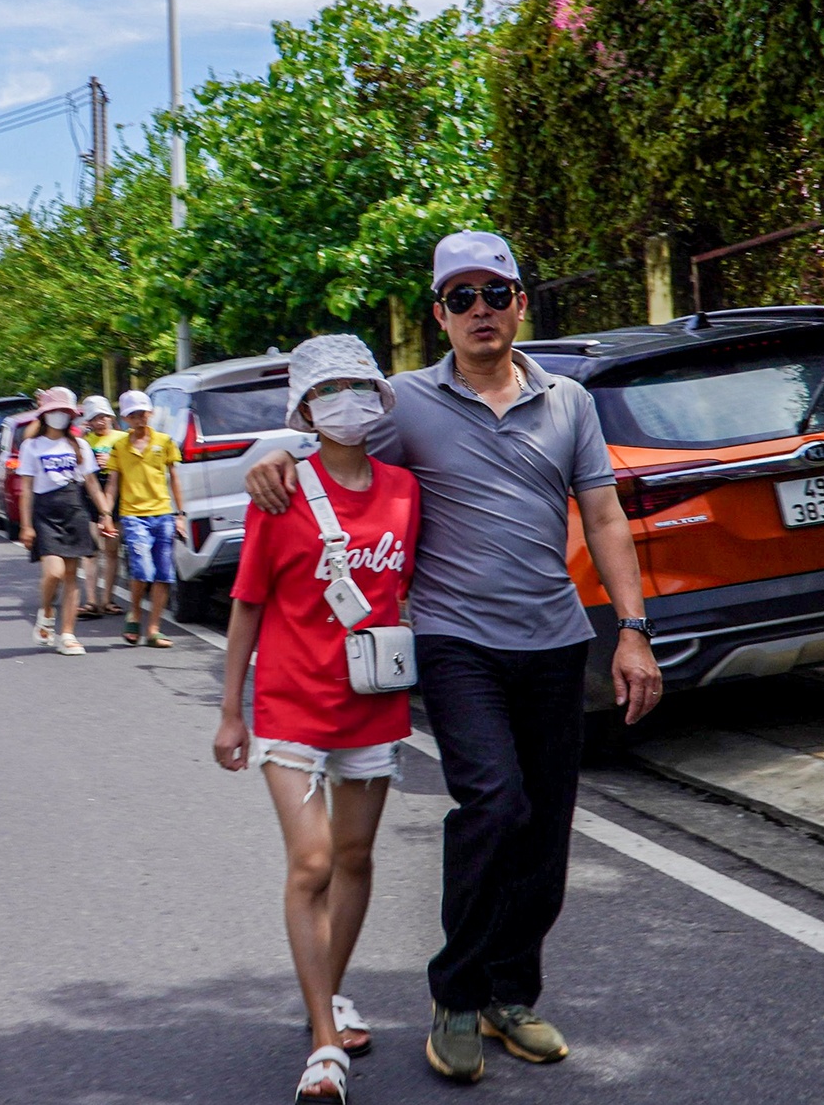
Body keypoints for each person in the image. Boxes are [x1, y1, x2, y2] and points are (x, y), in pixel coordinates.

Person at [245, 231, 663, 1084]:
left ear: (520, 304)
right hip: (454, 640)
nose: (480, 310)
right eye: (461, 297)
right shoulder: (404, 402)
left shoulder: (570, 402)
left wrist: (632, 629)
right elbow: (333, 446)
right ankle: (458, 996)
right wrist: (270, 454)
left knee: (544, 831)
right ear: (440, 314)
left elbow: (604, 516)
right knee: (493, 803)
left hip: (556, 639)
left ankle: (512, 995)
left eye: (494, 293)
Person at [214, 336, 419, 1103]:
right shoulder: (278, 491)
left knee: (355, 858)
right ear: (302, 409)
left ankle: (325, 996)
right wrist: (230, 713)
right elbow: (247, 605)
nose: (345, 401)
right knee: (313, 864)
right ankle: (325, 1047)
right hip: (290, 705)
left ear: (380, 397)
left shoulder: (406, 489)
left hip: (372, 703)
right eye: (327, 390)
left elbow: (413, 584)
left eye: (357, 386)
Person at [18, 387, 115, 656]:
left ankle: (68, 635)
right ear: (44, 414)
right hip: (44, 512)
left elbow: (92, 483)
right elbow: (26, 488)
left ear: (71, 415)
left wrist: (105, 515)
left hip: (74, 510)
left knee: (72, 575)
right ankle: (47, 610)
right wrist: (26, 526)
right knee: (54, 572)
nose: (59, 415)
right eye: (54, 410)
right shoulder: (31, 446)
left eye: (64, 411)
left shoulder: (80, 445)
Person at [104, 390, 185, 648]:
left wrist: (180, 515)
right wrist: (106, 515)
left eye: (143, 413)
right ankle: (136, 613)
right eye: (133, 415)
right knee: (142, 569)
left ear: (150, 413)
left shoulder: (165, 441)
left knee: (164, 573)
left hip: (163, 514)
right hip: (133, 516)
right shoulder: (119, 447)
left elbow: (175, 479)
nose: (139, 418)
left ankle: (153, 629)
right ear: (126, 418)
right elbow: (112, 484)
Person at [77, 395, 125, 619]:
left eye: (103, 417)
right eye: (94, 418)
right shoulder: (83, 442)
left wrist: (114, 463)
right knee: (91, 551)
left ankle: (108, 599)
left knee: (112, 550)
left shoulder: (123, 438)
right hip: (89, 495)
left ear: (111, 417)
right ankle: (91, 600)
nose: (99, 422)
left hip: (117, 494)